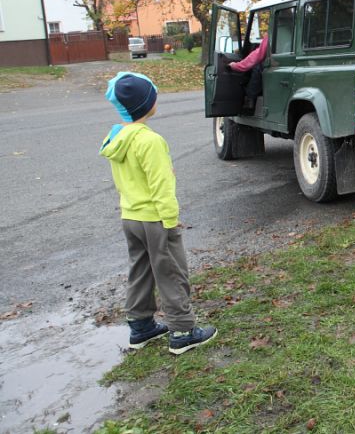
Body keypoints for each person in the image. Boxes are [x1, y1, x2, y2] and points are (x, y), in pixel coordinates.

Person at [101, 72, 217, 355]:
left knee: (140, 270)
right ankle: (182, 331)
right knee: (171, 272)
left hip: (130, 217)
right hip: (155, 219)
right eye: (153, 96)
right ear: (146, 104)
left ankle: (140, 326)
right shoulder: (150, 141)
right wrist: (170, 220)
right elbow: (161, 185)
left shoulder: (117, 137)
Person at [228, 33, 268, 114]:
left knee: (258, 66)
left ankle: (250, 99)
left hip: (276, 65)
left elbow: (258, 55)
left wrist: (236, 66)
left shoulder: (271, 34)